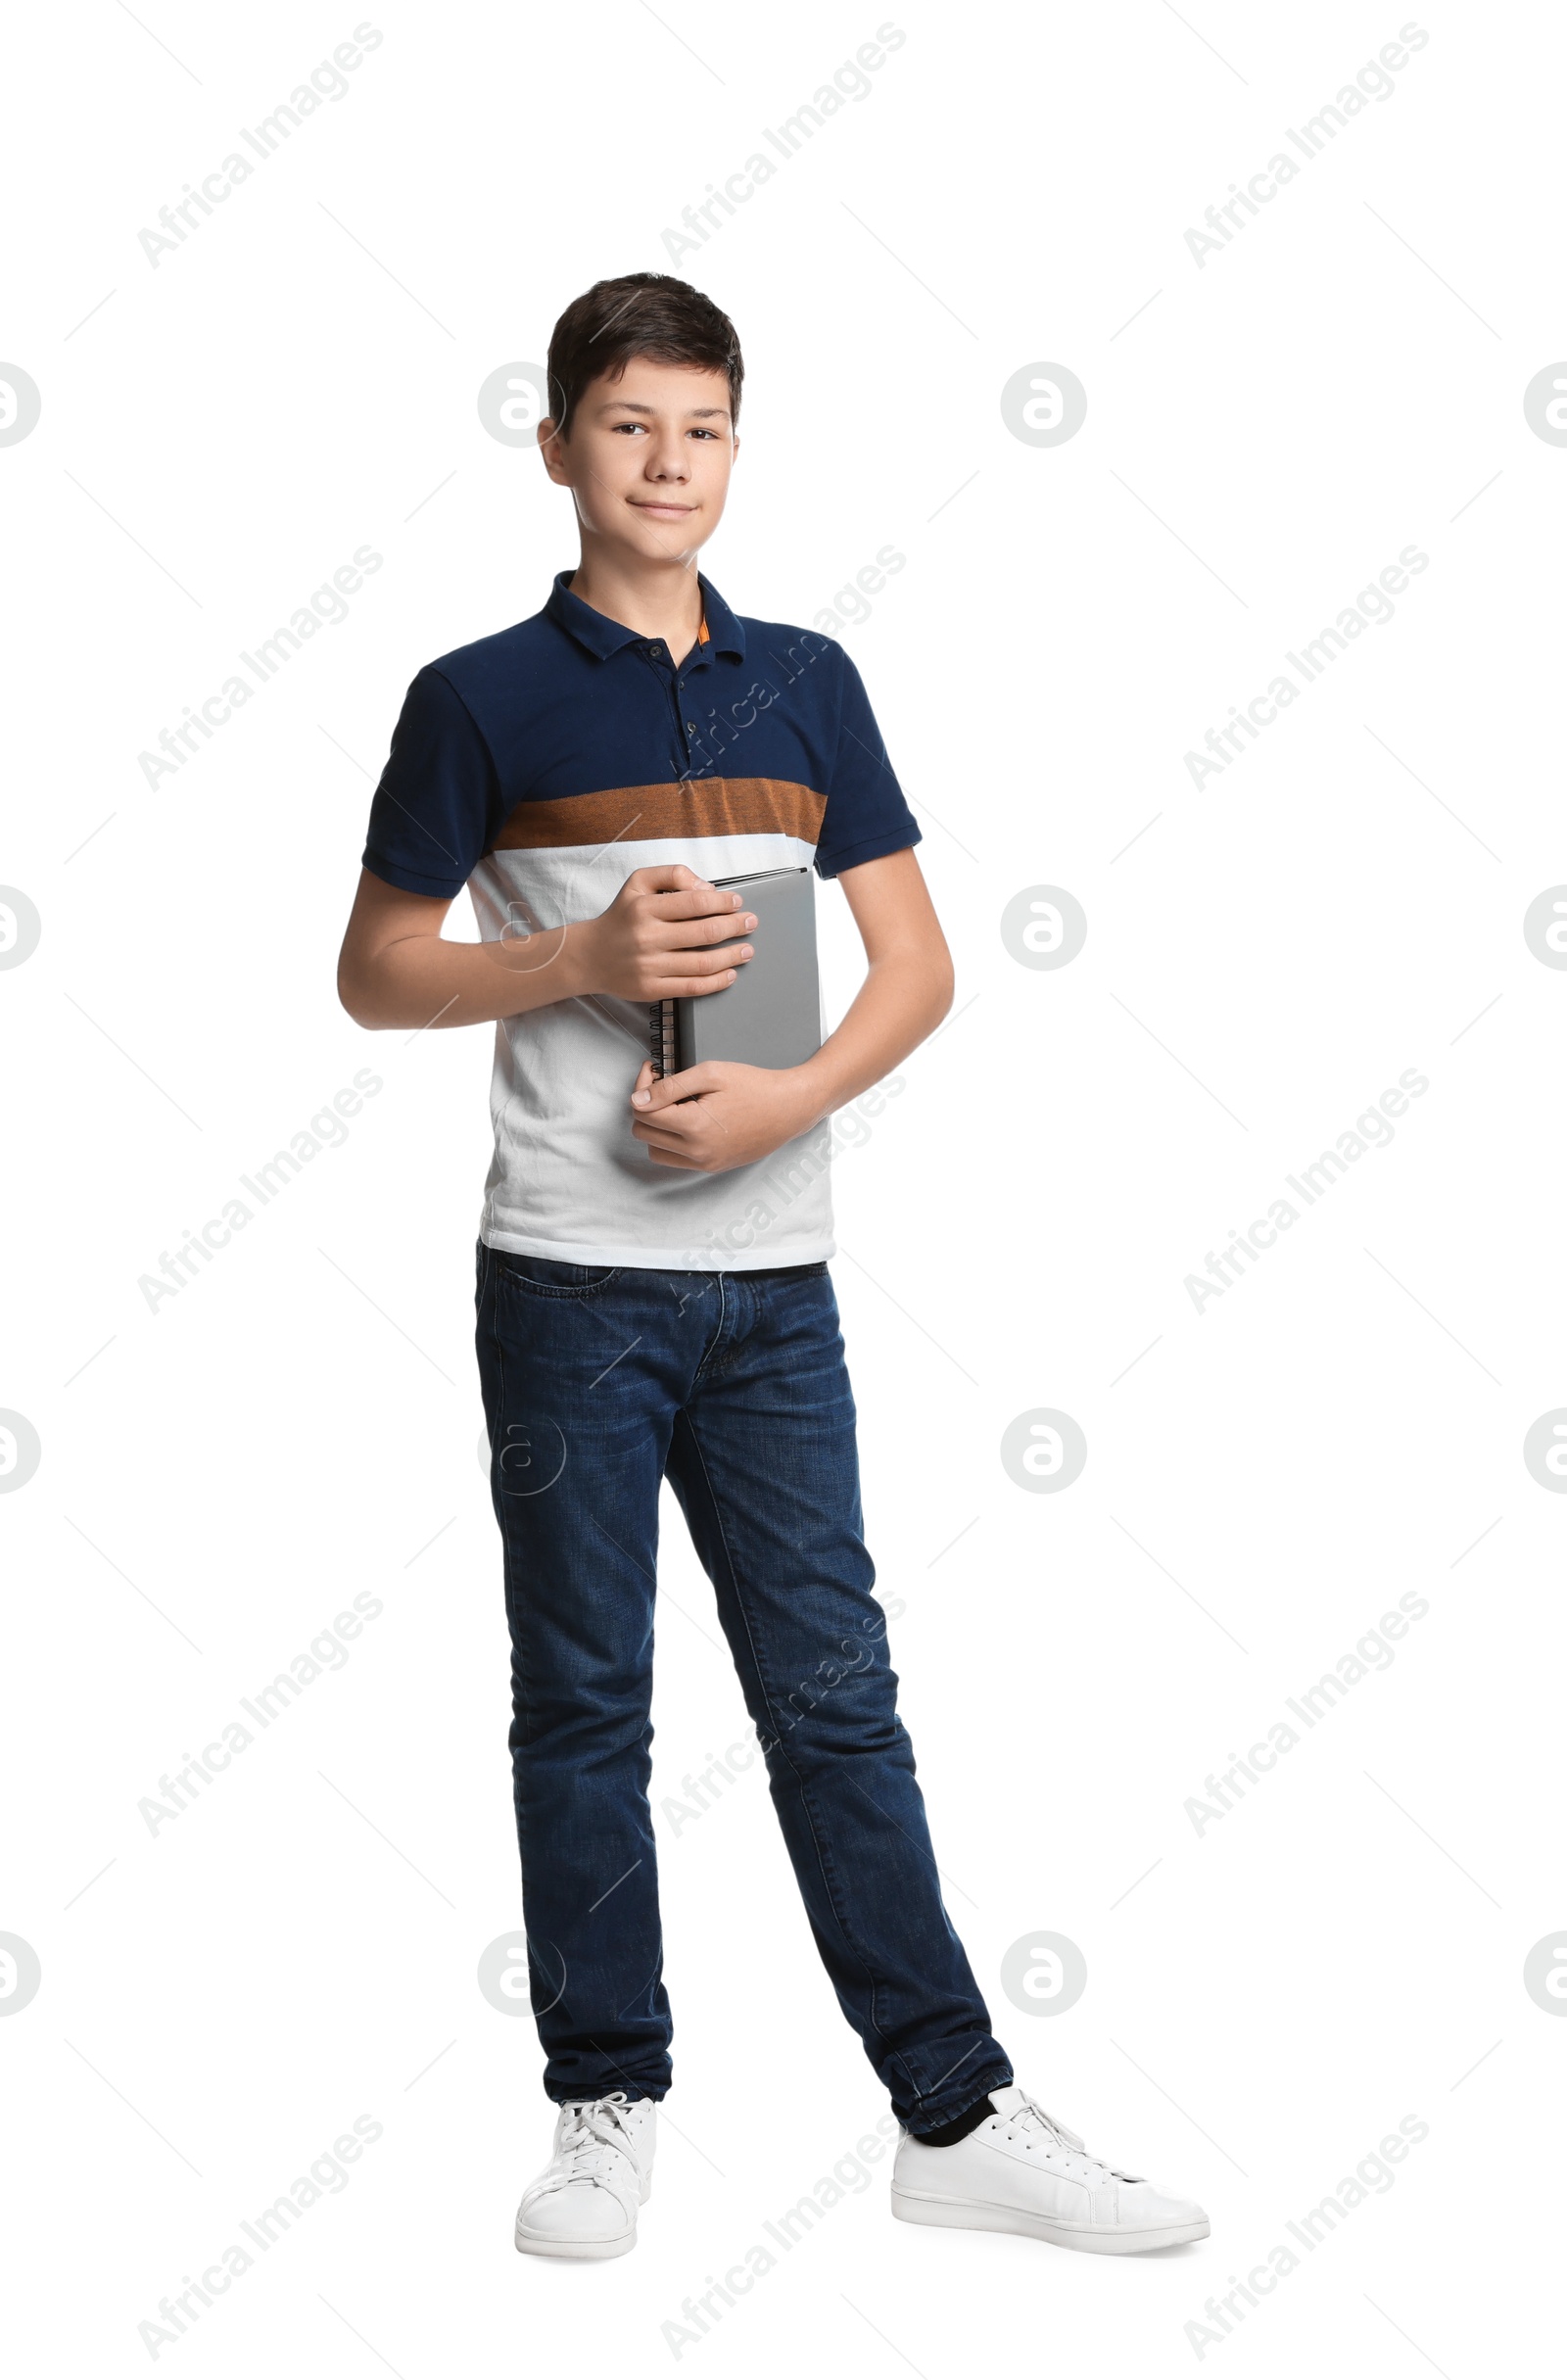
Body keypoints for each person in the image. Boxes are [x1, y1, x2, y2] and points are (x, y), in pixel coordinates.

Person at [337, 272, 1209, 2263]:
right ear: (556, 442)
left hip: (775, 1288)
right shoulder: (477, 697)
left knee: (835, 1698)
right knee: (581, 1699)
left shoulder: (808, 679)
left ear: (738, 448)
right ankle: (601, 2099)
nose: (669, 465)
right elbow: (372, 969)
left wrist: (779, 1098)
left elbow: (915, 965)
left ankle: (951, 2111)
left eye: (704, 429)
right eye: (630, 425)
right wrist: (568, 962)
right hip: (562, 1280)